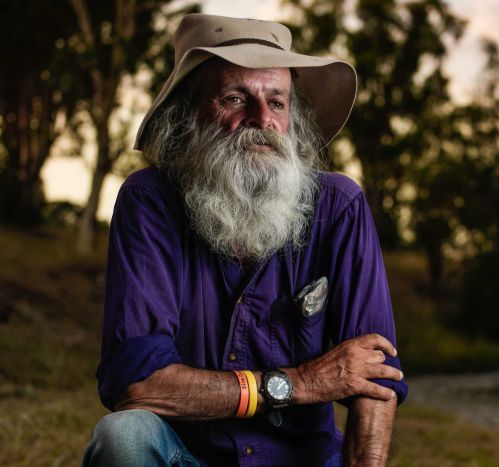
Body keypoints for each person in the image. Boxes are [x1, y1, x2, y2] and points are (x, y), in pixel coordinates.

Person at [82, 13, 408, 467]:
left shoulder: (339, 206)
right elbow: (138, 386)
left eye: (277, 102)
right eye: (235, 98)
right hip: (189, 459)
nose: (262, 120)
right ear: (186, 115)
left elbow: (377, 381)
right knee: (125, 437)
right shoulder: (149, 201)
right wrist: (299, 383)